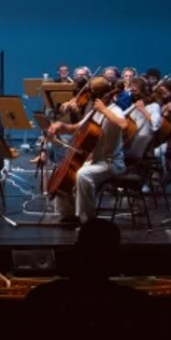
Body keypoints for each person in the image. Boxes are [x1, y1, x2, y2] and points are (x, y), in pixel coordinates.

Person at [44, 77, 136, 227]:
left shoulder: (115, 110)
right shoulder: (94, 110)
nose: (92, 98)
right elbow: (77, 127)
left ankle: (89, 221)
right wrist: (61, 125)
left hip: (111, 163)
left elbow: (124, 124)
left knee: (83, 175)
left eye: (94, 95)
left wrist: (104, 110)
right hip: (95, 161)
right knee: (66, 170)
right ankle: (68, 214)